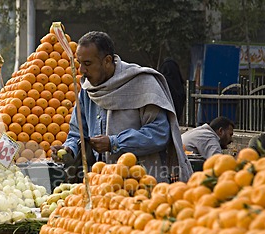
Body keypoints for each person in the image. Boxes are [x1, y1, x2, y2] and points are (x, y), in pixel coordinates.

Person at [51, 31, 192, 183]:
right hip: (104, 185)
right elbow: (77, 133)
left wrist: (115, 143)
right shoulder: (88, 90)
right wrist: (68, 149)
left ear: (107, 61)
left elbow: (160, 133)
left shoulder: (142, 83)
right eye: (80, 64)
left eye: (88, 64)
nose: (82, 71)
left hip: (143, 183)